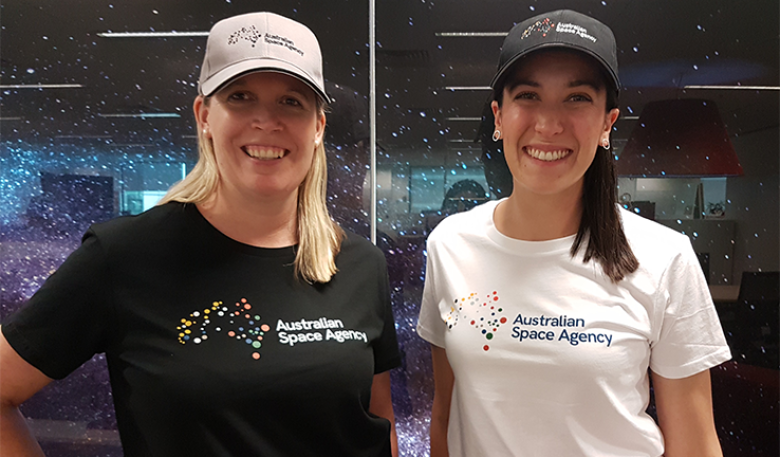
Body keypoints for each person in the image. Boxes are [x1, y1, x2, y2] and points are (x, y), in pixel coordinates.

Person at [1, 12, 400, 457]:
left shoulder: (359, 263)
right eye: (241, 96)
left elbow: (378, 422)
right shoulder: (124, 256)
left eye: (291, 101)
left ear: (318, 127)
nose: (266, 121)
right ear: (205, 115)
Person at [417, 9, 731, 457]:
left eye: (577, 98)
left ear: (608, 122)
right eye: (528, 95)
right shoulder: (450, 244)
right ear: (498, 117)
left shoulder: (664, 257)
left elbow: (696, 445)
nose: (549, 124)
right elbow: (446, 416)